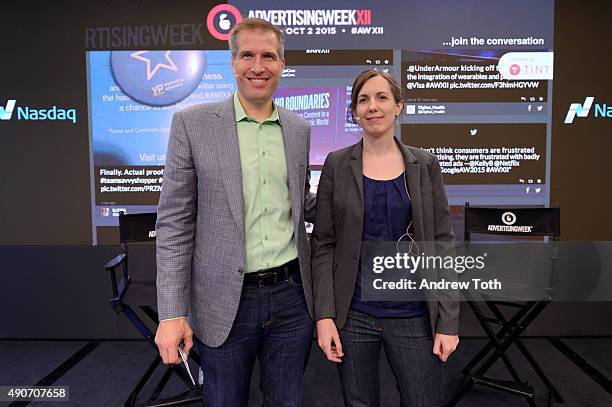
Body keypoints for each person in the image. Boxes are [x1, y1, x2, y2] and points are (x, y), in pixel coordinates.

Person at [154, 18, 315, 407]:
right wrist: (171, 312)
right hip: (224, 301)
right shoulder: (191, 125)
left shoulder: (298, 129)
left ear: (281, 63)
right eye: (248, 55)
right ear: (232, 61)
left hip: (294, 298)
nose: (258, 66)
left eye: (268, 56)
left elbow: (300, 203)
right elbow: (174, 224)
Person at [311, 69, 459, 406]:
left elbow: (442, 244)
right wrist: (324, 316)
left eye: (381, 98)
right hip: (355, 314)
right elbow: (323, 245)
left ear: (398, 106)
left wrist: (448, 321)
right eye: (363, 100)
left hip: (414, 315)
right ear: (354, 112)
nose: (372, 106)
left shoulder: (424, 164)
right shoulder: (336, 164)